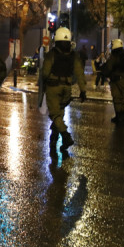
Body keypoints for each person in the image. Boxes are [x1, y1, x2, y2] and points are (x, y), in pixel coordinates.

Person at [40, 27, 86, 163]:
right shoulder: (74, 55)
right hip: (67, 89)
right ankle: (53, 138)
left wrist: (43, 84)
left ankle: (66, 136)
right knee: (59, 113)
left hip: (53, 88)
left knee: (55, 115)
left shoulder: (52, 55)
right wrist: (83, 90)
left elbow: (45, 73)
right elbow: (79, 74)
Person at [101, 39, 124, 125]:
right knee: (122, 98)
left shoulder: (114, 56)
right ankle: (122, 116)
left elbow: (108, 68)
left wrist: (105, 73)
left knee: (116, 98)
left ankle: (119, 117)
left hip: (115, 80)